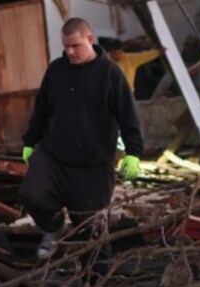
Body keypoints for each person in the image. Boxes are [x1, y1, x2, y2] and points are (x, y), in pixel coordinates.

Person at [20, 18, 143, 266]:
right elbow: (42, 109)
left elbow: (128, 115)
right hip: (54, 157)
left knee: (93, 234)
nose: (69, 52)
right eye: (65, 46)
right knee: (32, 193)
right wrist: (30, 141)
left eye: (75, 46)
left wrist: (134, 153)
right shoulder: (56, 70)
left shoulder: (110, 74)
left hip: (93, 168)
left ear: (90, 39)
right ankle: (54, 228)